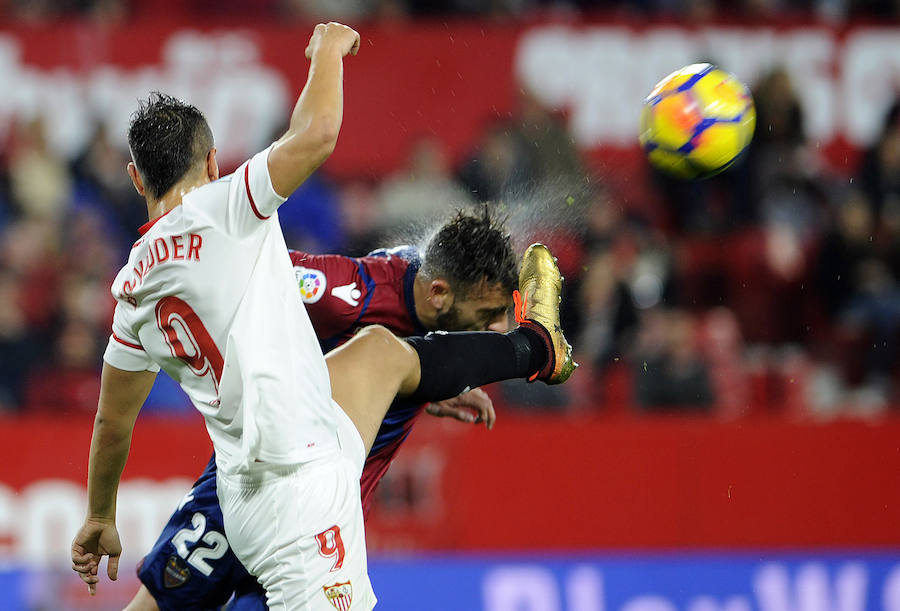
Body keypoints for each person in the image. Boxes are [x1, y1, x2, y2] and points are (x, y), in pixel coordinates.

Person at [70, 22, 575, 611]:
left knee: (382, 354)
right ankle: (537, 350)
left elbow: (111, 424)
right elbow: (316, 136)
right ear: (213, 161)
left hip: (243, 488)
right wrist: (329, 48)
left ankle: (536, 347)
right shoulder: (227, 208)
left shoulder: (130, 290)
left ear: (136, 178)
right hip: (300, 494)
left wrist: (100, 513)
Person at [126, 207, 518, 611]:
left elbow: (389, 365)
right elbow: (246, 277)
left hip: (316, 530)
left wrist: (428, 385)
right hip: (249, 484)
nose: (500, 329)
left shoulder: (431, 296)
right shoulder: (348, 293)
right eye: (488, 315)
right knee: (154, 606)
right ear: (438, 294)